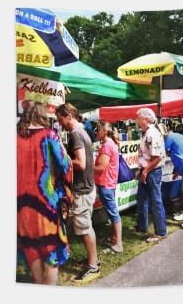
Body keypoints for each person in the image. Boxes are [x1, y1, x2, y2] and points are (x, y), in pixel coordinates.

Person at [17, 101, 73, 285]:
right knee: (52, 252)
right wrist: (65, 154)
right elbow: (65, 166)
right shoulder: (49, 135)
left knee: (31, 248)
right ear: (42, 115)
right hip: (46, 204)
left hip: (22, 206)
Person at [55, 103, 100, 283]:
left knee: (83, 228)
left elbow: (80, 163)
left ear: (68, 116)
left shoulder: (75, 134)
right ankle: (93, 260)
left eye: (60, 119)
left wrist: (62, 156)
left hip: (82, 189)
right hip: (87, 187)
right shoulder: (82, 132)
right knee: (86, 226)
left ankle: (93, 267)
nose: (60, 124)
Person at [135, 108, 167, 243]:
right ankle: (142, 226)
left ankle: (160, 231)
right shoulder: (147, 132)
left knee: (155, 201)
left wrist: (146, 171)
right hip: (148, 170)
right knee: (142, 199)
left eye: (138, 117)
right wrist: (141, 170)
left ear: (145, 119)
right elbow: (147, 155)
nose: (136, 120)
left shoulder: (152, 133)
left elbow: (156, 157)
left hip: (152, 171)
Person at [93, 121, 123, 253]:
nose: (95, 131)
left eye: (98, 129)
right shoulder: (111, 144)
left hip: (106, 183)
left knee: (113, 213)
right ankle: (114, 237)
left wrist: (87, 165)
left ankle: (118, 244)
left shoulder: (107, 146)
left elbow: (100, 168)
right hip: (109, 182)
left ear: (104, 132)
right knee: (112, 212)